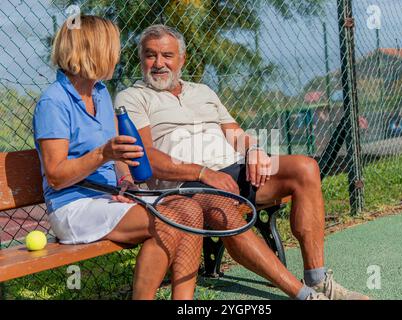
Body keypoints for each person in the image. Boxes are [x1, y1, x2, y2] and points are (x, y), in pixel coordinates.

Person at [115, 25, 371, 300]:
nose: (159, 63)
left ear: (182, 59)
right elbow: (146, 156)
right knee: (222, 208)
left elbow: (234, 133)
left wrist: (254, 150)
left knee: (305, 167)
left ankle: (317, 280)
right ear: (140, 58)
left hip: (233, 170)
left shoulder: (203, 91)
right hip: (186, 184)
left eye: (167, 55)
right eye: (150, 55)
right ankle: (304, 295)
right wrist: (203, 173)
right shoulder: (132, 97)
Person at [32, 16, 203, 300]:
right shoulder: (54, 102)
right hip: (73, 206)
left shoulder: (99, 92)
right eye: (112, 46)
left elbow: (119, 151)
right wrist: (103, 154)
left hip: (108, 198)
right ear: (91, 50)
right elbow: (56, 176)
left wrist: (125, 181)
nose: (117, 53)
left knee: (190, 211)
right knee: (167, 220)